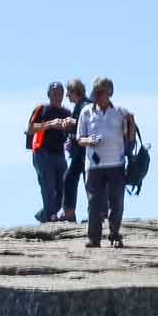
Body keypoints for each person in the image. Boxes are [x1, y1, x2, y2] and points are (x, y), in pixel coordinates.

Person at [75, 76, 138, 248]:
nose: (97, 95)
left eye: (100, 92)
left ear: (109, 93)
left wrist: (131, 124)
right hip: (94, 166)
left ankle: (115, 235)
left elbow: (130, 139)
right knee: (94, 202)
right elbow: (79, 138)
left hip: (116, 164)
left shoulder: (120, 112)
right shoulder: (86, 112)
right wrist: (90, 141)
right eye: (95, 92)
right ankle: (94, 238)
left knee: (116, 201)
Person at [27, 83, 79, 223]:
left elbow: (74, 131)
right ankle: (50, 218)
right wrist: (50, 124)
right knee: (48, 187)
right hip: (42, 153)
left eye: (60, 93)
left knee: (63, 188)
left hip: (60, 154)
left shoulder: (67, 112)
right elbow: (30, 128)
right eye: (54, 93)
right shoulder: (42, 109)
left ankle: (45, 215)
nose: (57, 96)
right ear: (49, 94)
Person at [61, 79, 93, 220]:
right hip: (83, 151)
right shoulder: (81, 104)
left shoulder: (84, 105)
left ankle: (69, 213)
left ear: (75, 91)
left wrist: (71, 122)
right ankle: (95, 213)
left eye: (69, 92)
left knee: (71, 179)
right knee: (86, 182)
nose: (67, 95)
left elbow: (86, 122)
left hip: (83, 151)